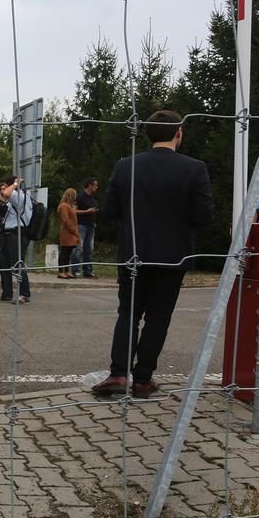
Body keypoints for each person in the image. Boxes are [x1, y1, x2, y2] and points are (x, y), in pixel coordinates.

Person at [92, 110, 214, 399]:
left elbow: (108, 212)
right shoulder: (195, 169)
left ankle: (119, 373)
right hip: (173, 257)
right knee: (159, 317)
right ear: (179, 133)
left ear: (147, 134)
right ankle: (143, 379)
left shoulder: (125, 166)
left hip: (133, 253)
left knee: (128, 313)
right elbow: (204, 217)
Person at [0, 175, 33, 304]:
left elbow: (6, 192)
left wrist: (16, 183)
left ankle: (24, 294)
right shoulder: (14, 198)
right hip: (8, 234)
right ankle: (7, 294)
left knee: (17, 264)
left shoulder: (19, 196)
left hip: (17, 234)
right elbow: (3, 200)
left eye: (6, 186)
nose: (3, 190)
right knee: (3, 265)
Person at [75, 178, 99, 277]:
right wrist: (87, 212)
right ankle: (75, 269)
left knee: (89, 249)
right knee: (79, 248)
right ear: (90, 185)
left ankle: (88, 270)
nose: (97, 187)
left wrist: (93, 221)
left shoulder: (92, 198)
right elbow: (74, 211)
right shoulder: (80, 197)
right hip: (81, 225)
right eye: (95, 185)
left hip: (90, 226)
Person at [57, 188, 80, 278]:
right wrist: (74, 230)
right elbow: (65, 220)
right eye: (75, 195)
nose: (76, 197)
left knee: (68, 253)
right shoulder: (63, 206)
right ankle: (60, 271)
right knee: (64, 252)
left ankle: (66, 270)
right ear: (71, 195)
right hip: (67, 233)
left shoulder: (69, 206)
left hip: (71, 233)